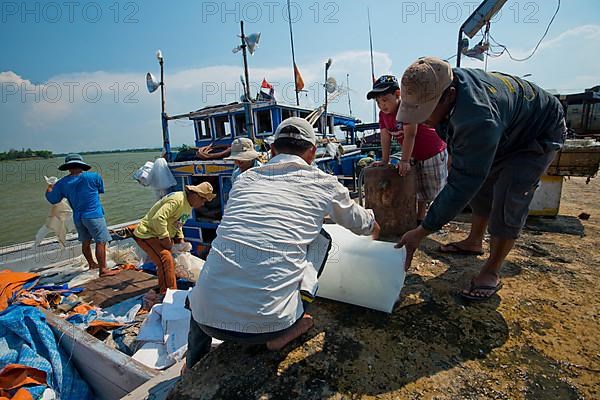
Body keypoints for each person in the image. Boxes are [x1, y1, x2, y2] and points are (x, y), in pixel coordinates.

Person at [184, 117, 380, 369]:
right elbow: (363, 224)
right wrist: (377, 228)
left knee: (205, 285)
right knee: (321, 238)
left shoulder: (244, 180)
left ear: (273, 150)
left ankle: (193, 364)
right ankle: (290, 328)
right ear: (311, 153)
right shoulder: (324, 183)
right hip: (270, 326)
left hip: (204, 319)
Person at [395, 57, 566, 301]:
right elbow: (461, 152)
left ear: (450, 95)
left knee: (510, 194)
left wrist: (422, 231)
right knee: (481, 185)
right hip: (504, 127)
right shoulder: (442, 83)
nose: (421, 119)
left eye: (425, 110)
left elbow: (463, 182)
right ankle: (474, 241)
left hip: (535, 132)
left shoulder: (478, 117)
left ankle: (492, 269)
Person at [368, 75, 449, 224]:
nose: (382, 105)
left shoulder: (406, 108)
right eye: (378, 102)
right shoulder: (383, 115)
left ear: (397, 94)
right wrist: (384, 160)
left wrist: (404, 160)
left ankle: (437, 220)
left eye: (385, 100)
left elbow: (411, 134)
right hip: (414, 155)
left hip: (432, 151)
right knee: (418, 189)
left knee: (436, 190)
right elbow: (385, 137)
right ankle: (420, 218)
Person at [133, 183, 216, 294]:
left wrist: (180, 239)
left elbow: (178, 224)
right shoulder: (177, 200)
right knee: (165, 259)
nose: (203, 204)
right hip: (148, 233)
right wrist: (165, 238)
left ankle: (168, 283)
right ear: (196, 195)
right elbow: (158, 218)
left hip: (160, 234)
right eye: (203, 200)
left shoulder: (188, 206)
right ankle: (168, 292)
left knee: (172, 260)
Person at [45, 154, 118, 277]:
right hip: (94, 215)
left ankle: (92, 264)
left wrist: (49, 188)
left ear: (68, 168)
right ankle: (103, 270)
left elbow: (53, 200)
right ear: (82, 166)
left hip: (78, 217)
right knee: (101, 242)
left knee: (85, 242)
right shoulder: (93, 177)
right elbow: (100, 190)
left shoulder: (62, 183)